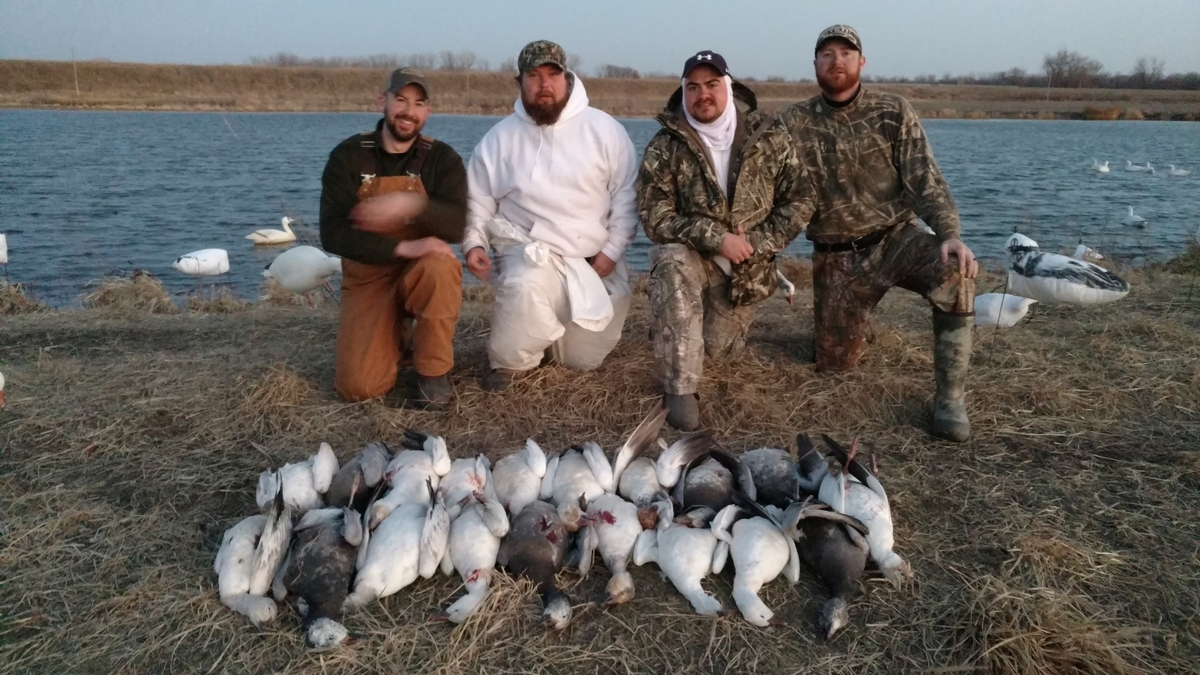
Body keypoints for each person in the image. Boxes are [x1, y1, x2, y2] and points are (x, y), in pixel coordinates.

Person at [780, 25, 979, 442]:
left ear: (861, 62)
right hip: (836, 256)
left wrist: (949, 233)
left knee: (956, 276)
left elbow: (925, 180)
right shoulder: (792, 122)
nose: (837, 61)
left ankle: (949, 400)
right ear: (815, 64)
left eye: (846, 53)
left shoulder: (893, 111)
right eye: (827, 54)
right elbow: (767, 185)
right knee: (835, 367)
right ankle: (857, 321)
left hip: (896, 241)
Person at [637, 51, 813, 431]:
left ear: (729, 87)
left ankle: (681, 326)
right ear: (683, 92)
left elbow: (801, 198)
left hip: (746, 273)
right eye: (693, 87)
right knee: (670, 259)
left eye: (712, 84)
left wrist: (759, 243)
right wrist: (716, 239)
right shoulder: (665, 144)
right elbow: (653, 216)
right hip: (694, 259)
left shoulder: (770, 135)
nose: (703, 94)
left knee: (718, 353)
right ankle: (679, 388)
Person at [462, 40, 639, 391]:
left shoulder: (605, 131)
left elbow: (627, 197)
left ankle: (547, 337)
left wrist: (611, 252)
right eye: (534, 75)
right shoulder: (499, 140)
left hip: (592, 262)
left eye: (553, 74)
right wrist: (473, 244)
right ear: (520, 82)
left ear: (567, 78)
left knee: (580, 360)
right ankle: (512, 362)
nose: (544, 84)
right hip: (529, 252)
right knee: (525, 284)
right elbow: (478, 200)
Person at [319, 68, 467, 406]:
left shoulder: (442, 159)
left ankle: (432, 373)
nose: (408, 111)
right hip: (368, 276)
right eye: (400, 99)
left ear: (427, 112)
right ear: (382, 101)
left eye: (418, 103)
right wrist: (405, 245)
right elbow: (333, 234)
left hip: (421, 271)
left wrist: (410, 202)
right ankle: (397, 338)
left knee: (440, 267)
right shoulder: (348, 156)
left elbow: (458, 224)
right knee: (359, 389)